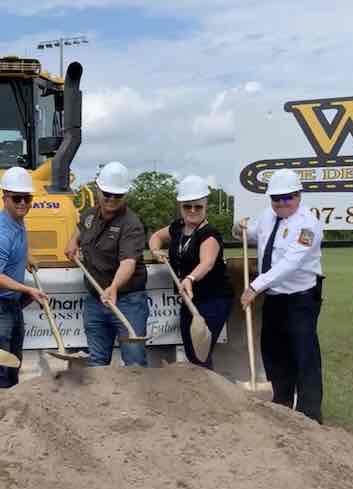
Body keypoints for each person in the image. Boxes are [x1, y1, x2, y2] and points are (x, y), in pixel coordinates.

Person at [233, 168, 325, 423]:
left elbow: (290, 264)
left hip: (301, 297)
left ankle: (310, 415)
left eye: (288, 197)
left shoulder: (309, 225)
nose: (282, 203)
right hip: (274, 297)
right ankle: (282, 405)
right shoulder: (268, 216)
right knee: (273, 350)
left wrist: (254, 286)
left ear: (299, 195)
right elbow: (249, 234)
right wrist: (238, 228)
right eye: (276, 198)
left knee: (304, 354)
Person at [64, 161, 149, 367]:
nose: (111, 199)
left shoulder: (131, 224)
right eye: (107, 193)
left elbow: (128, 263)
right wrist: (72, 242)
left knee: (134, 361)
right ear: (98, 189)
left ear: (124, 195)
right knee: (97, 362)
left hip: (127, 301)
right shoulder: (90, 215)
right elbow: (80, 229)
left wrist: (114, 287)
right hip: (95, 300)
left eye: (117, 195)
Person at [0, 167, 47, 388]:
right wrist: (28, 290)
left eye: (27, 198)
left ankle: (11, 414)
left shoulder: (17, 221)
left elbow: (16, 246)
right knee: (0, 367)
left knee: (14, 361)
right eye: (17, 198)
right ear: (4, 197)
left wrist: (26, 256)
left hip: (9, 301)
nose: (23, 203)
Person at [148, 175, 233, 368]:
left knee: (200, 353)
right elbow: (155, 237)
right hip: (189, 298)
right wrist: (155, 251)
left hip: (214, 299)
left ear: (205, 205)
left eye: (198, 206)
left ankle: (209, 394)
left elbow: (207, 263)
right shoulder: (177, 227)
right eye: (187, 206)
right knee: (190, 351)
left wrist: (190, 278)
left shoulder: (210, 234)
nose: (193, 211)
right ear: (181, 206)